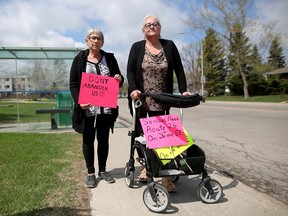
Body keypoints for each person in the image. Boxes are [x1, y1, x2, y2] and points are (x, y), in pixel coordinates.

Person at [126, 15, 192, 192]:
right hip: (141, 98)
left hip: (163, 99)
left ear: (160, 28)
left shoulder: (169, 45)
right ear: (143, 29)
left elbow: (179, 68)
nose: (151, 27)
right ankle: (146, 167)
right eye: (148, 24)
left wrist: (184, 89)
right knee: (141, 135)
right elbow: (131, 70)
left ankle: (165, 177)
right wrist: (133, 89)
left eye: (155, 24)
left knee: (163, 137)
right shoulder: (137, 47)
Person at [69, 28, 124, 188]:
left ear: (103, 42)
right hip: (87, 108)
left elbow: (119, 80)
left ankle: (103, 170)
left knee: (103, 139)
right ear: (87, 41)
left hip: (105, 109)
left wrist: (118, 78)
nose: (96, 40)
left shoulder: (110, 59)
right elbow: (73, 84)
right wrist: (79, 102)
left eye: (99, 38)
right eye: (92, 38)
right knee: (87, 140)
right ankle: (91, 173)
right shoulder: (79, 59)